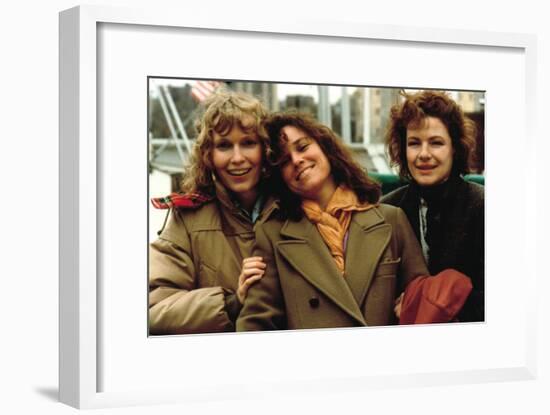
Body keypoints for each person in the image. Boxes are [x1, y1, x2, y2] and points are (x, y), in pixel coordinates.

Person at [236, 112, 428, 331]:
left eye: (302, 147)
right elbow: (255, 324)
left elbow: (425, 303)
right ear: (279, 176)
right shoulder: (271, 234)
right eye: (284, 160)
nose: (297, 160)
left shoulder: (392, 220)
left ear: (324, 146)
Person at [148, 89, 272, 335]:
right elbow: (156, 307)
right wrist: (231, 303)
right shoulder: (186, 218)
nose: (237, 158)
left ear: (265, 148)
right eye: (224, 145)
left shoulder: (296, 207)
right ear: (209, 155)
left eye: (248, 143)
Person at [382, 90, 484, 322]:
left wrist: (425, 305)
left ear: (455, 148)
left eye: (436, 143)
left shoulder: (484, 207)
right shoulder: (386, 210)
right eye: (414, 143)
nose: (424, 154)